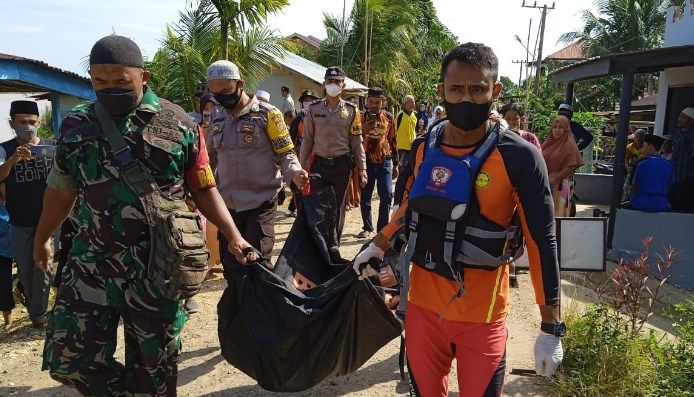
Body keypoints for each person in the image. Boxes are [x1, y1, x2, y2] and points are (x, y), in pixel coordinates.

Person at [36, 35, 255, 396]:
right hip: (92, 263)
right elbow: (61, 189)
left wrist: (233, 235)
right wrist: (44, 235)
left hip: (158, 267)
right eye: (99, 81)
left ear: (144, 77)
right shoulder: (76, 125)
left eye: (121, 81)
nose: (110, 88)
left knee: (154, 369)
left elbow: (203, 188)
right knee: (69, 360)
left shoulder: (179, 123)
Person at [355, 42, 563, 396]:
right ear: (441, 92)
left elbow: (541, 241)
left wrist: (550, 326)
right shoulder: (424, 147)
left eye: (478, 89)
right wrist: (379, 243)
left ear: (495, 91)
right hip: (421, 309)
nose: (466, 99)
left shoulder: (520, 157)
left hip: (481, 318)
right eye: (456, 90)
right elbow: (411, 205)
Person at [206, 60, 308, 280]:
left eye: (225, 90)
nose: (221, 97)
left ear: (240, 84)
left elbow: (285, 154)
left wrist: (295, 174)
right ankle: (238, 312)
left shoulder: (267, 114)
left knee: (259, 266)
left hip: (260, 204)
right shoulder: (216, 115)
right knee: (232, 269)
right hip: (228, 208)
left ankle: (261, 312)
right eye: (215, 93)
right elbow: (209, 157)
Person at [0, 99, 56, 328]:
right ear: (12, 123)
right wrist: (14, 159)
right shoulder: (4, 149)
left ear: (39, 122)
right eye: (22, 122)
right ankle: (34, 306)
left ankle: (38, 315)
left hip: (50, 219)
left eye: (32, 122)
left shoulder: (52, 147)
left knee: (44, 267)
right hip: (20, 221)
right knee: (25, 271)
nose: (28, 126)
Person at [299, 66, 366, 241]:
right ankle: (320, 244)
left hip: (341, 166)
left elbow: (356, 142)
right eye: (330, 81)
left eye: (337, 82)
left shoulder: (352, 110)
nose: (333, 84)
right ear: (324, 83)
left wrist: (363, 168)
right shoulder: (314, 109)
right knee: (319, 206)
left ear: (343, 85)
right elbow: (307, 139)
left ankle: (334, 243)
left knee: (338, 207)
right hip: (319, 165)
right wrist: (300, 167)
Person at [358, 87, 399, 238]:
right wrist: (363, 129)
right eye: (372, 102)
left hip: (385, 162)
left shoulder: (388, 117)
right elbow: (353, 139)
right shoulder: (360, 117)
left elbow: (393, 140)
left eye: (378, 102)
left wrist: (396, 164)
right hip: (366, 162)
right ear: (367, 102)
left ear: (383, 102)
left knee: (387, 195)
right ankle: (367, 228)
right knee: (366, 196)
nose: (375, 105)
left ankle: (382, 229)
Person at [542, 115, 584, 217]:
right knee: (546, 212)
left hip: (563, 184)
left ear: (566, 129)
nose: (557, 130)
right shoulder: (548, 143)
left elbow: (572, 165)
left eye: (561, 127)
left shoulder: (569, 144)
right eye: (555, 127)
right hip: (546, 182)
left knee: (561, 210)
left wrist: (556, 178)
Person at [630, 134, 673, 212]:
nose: (643, 148)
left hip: (640, 204)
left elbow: (633, 186)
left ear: (651, 147)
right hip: (661, 205)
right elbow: (670, 186)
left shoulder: (641, 164)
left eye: (644, 146)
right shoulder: (669, 165)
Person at [670, 107, 694, 212]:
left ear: (691, 121)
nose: (679, 119)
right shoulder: (677, 133)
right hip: (674, 177)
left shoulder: (692, 136)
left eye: (684, 118)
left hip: (686, 179)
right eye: (680, 116)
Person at [0, 185, 14, 331]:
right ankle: (8, 320)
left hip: (20, 243)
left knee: (27, 277)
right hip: (2, 250)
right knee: (3, 283)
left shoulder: (15, 200)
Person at [395, 95, 417, 168]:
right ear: (405, 104)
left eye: (414, 101)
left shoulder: (415, 114)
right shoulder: (400, 115)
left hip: (412, 146)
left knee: (411, 167)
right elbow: (395, 129)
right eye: (411, 102)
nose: (413, 104)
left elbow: (416, 129)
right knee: (402, 168)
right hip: (402, 147)